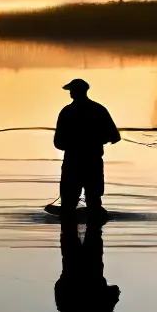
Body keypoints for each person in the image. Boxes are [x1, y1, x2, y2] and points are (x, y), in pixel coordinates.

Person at [54, 78, 120, 221]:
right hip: (93, 164)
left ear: (74, 93)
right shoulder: (99, 110)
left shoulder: (67, 112)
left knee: (68, 204)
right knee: (94, 201)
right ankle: (95, 228)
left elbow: (58, 143)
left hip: (72, 164)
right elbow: (115, 137)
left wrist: (72, 142)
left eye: (71, 91)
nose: (70, 93)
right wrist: (99, 139)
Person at [54, 220, 121, 312]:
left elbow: (114, 292)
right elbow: (58, 289)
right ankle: (70, 215)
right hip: (71, 269)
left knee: (94, 235)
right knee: (69, 236)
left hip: (92, 269)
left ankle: (91, 215)